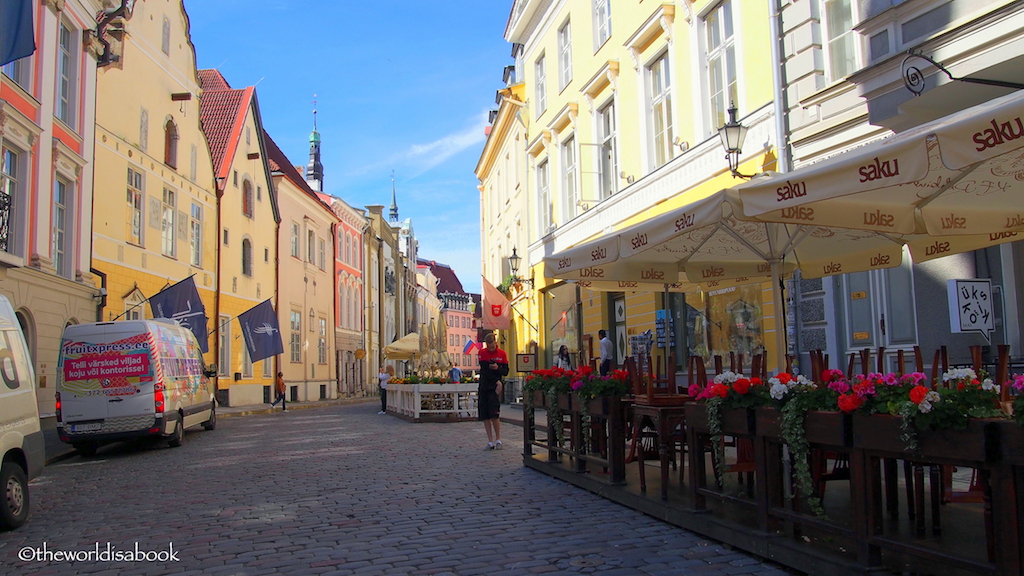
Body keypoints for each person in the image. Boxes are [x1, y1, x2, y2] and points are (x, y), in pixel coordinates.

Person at [478, 333, 509, 450]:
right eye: (489, 347)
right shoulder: (482, 353)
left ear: (495, 343)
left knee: (495, 414)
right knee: (485, 415)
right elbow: (485, 371)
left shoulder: (502, 354)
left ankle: (498, 439)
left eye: (492, 347)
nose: (490, 349)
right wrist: (497, 381)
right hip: (484, 386)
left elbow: (505, 371)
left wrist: (498, 368)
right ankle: (490, 440)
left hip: (494, 389)